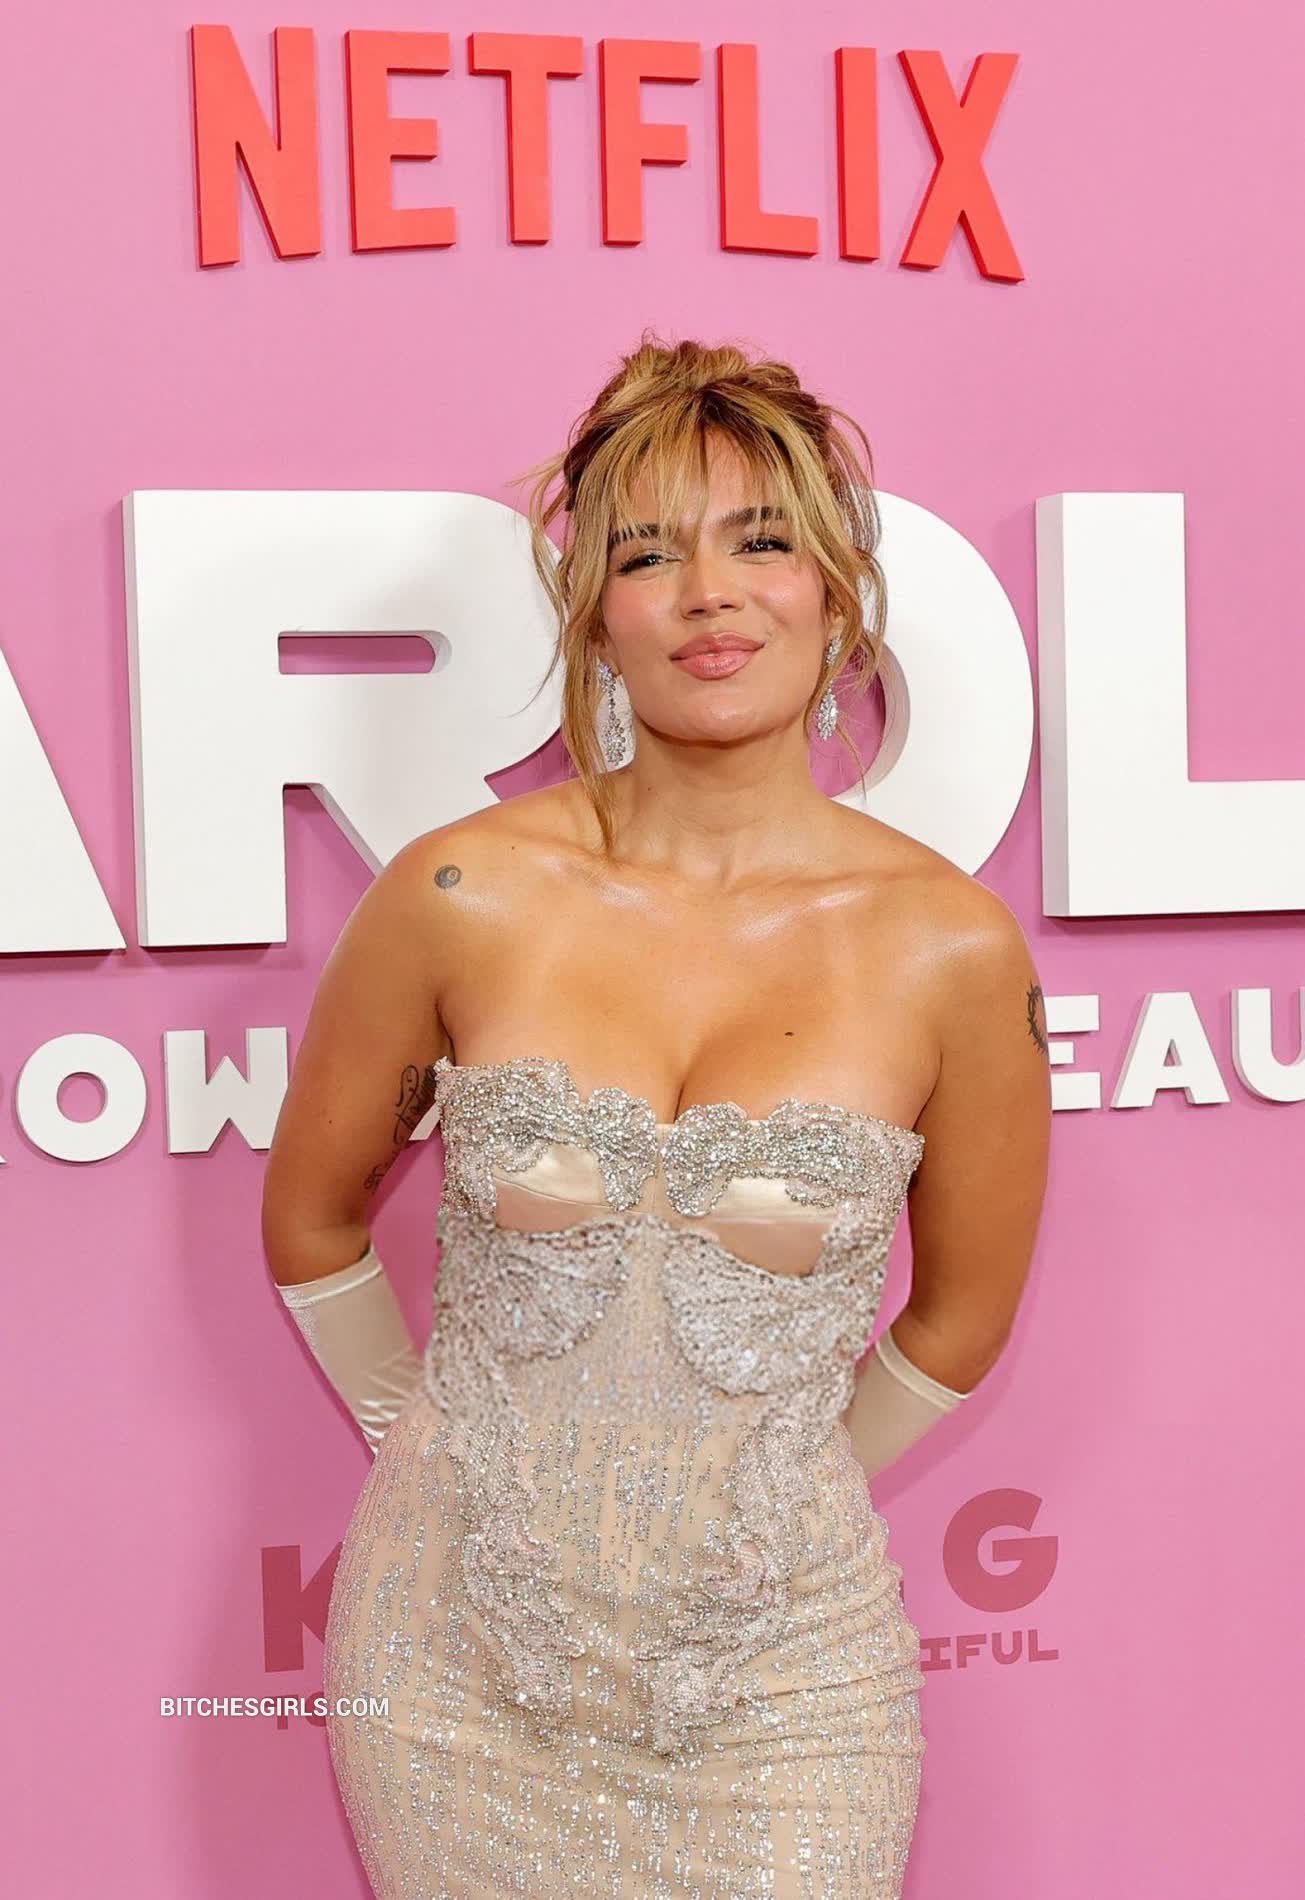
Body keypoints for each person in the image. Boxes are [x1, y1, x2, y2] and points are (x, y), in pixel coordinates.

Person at [262, 336, 1051, 1898]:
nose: (708, 594)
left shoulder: (947, 948)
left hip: (783, 1678)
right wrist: (431, 1456)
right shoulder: (457, 893)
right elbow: (312, 1215)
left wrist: (767, 1512)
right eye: (647, 554)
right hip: (451, 1661)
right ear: (591, 610)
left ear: (836, 594)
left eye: (760, 543)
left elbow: (962, 1314)